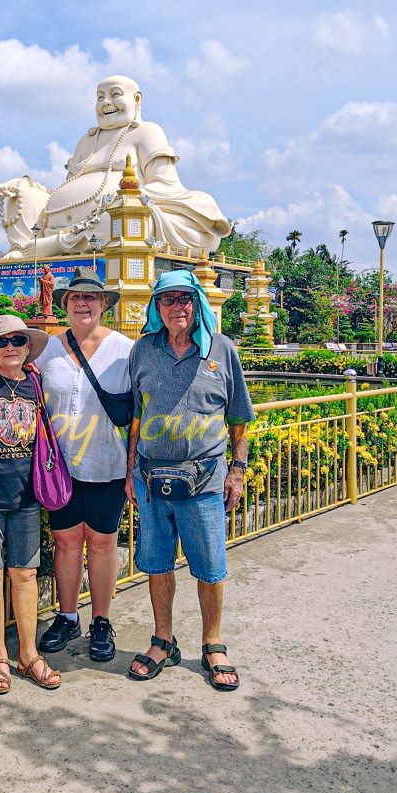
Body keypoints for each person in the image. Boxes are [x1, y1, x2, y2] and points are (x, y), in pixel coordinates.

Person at [125, 269, 256, 691]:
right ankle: (163, 639)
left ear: (197, 302)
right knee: (158, 564)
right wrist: (130, 470)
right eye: (167, 300)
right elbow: (135, 414)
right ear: (156, 307)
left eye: (184, 298)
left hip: (204, 478)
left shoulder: (222, 349)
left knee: (210, 567)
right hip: (151, 478)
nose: (176, 307)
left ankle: (212, 643)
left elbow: (239, 417)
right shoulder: (143, 350)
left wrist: (236, 471)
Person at [0, 75, 230, 258]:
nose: (106, 103)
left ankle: (49, 246)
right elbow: (67, 187)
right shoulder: (87, 140)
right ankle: (25, 247)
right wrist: (28, 185)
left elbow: (166, 185)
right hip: (63, 223)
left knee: (124, 221)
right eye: (100, 97)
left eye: (115, 95)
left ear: (137, 100)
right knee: (22, 194)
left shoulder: (146, 132)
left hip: (109, 220)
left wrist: (117, 199)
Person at [37, 267, 133, 662]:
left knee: (103, 541)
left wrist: (134, 467)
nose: (82, 303)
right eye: (74, 298)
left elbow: (141, 410)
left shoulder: (126, 350)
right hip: (60, 468)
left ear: (104, 305)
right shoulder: (47, 351)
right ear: (64, 304)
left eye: (90, 298)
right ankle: (67, 614)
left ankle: (101, 619)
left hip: (107, 463)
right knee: (66, 541)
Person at [0, 314, 61, 693]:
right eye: (2, 342)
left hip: (25, 496)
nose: (10, 348)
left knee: (24, 574)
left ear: (28, 347)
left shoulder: (35, 384)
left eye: (17, 341)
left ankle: (28, 654)